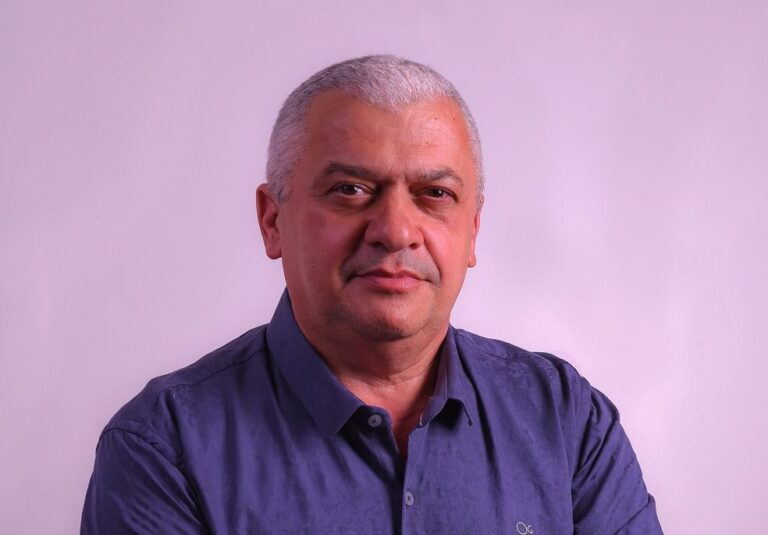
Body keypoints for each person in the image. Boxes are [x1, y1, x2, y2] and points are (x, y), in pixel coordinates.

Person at [81, 55, 662, 534]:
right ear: (272, 220)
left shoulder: (566, 421)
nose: (396, 230)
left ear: (473, 230)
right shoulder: (164, 448)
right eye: (352, 189)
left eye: (435, 193)